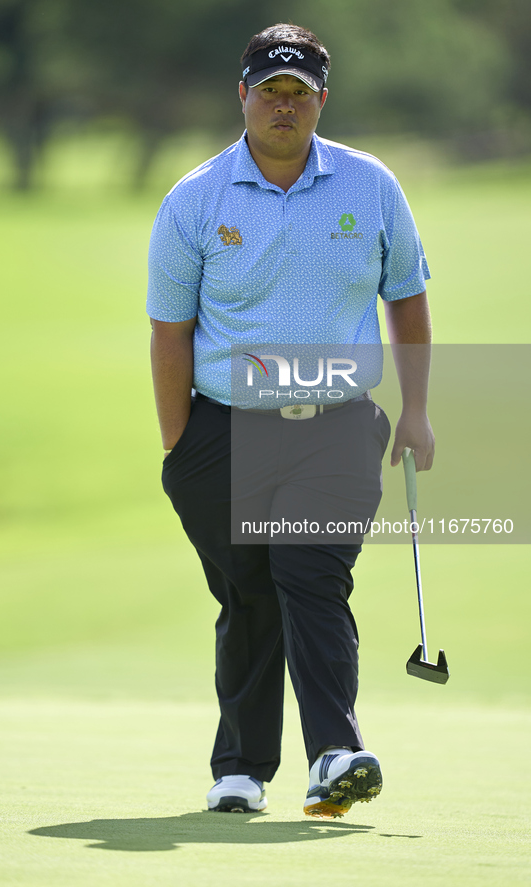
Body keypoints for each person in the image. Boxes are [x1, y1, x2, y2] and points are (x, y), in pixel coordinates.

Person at [147, 23, 435, 818]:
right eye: (268, 91)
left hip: (336, 419)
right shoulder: (195, 198)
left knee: (309, 573)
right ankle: (240, 766)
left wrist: (414, 411)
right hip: (222, 428)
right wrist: (180, 443)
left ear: (320, 101)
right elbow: (169, 331)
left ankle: (334, 752)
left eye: (297, 94)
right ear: (241, 95)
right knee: (247, 593)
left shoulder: (368, 184)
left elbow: (404, 295)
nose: (282, 106)